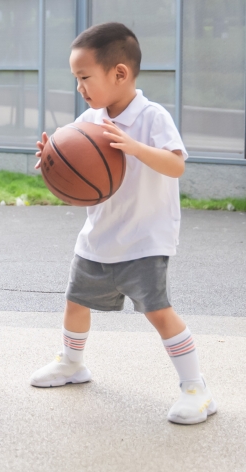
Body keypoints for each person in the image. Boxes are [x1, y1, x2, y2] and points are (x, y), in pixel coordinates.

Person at [29, 22, 216, 425]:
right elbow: (78, 162)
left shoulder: (152, 117)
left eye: (84, 77)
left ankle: (196, 389)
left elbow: (177, 164)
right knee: (75, 303)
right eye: (76, 79)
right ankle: (72, 363)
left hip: (145, 239)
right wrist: (54, 159)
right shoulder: (90, 118)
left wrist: (135, 147)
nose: (80, 87)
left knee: (159, 312)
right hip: (98, 236)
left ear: (119, 73)